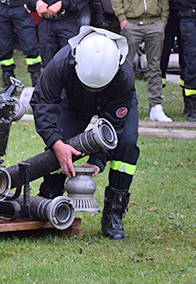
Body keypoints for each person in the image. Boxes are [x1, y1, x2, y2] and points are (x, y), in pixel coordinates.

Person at [32, 26, 139, 240]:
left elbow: (113, 125)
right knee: (62, 139)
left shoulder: (124, 76)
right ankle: (48, 198)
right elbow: (42, 102)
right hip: (75, 102)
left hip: (113, 104)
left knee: (126, 145)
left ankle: (113, 214)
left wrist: (98, 159)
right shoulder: (62, 62)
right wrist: (56, 142)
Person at [110, 0, 171, 122]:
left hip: (155, 22)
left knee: (155, 65)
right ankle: (125, 104)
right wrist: (122, 19)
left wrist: (163, 19)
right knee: (126, 66)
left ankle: (156, 106)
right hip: (132, 23)